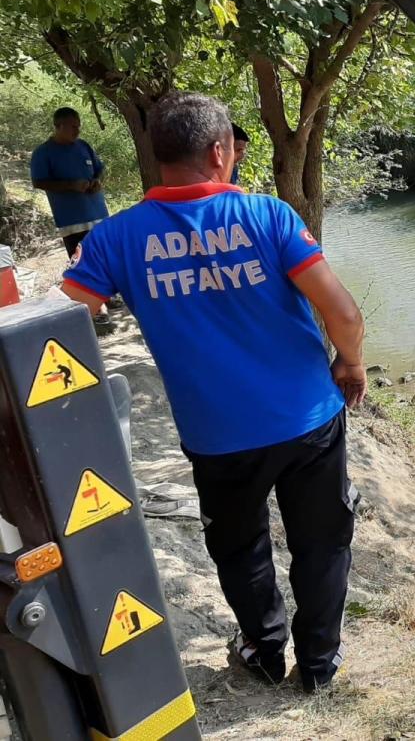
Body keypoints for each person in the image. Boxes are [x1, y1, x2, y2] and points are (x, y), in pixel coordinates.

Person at [60, 92, 367, 693]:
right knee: (322, 542)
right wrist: (350, 364)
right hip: (307, 419)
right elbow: (345, 314)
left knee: (239, 546)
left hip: (216, 434)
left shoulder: (114, 238)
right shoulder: (271, 216)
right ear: (221, 151)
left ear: (158, 153)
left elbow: (61, 322)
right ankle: (319, 665)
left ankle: (264, 650)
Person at [31, 107, 118, 331]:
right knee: (82, 261)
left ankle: (110, 296)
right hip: (71, 219)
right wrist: (71, 185)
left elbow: (99, 169)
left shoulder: (84, 146)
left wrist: (96, 180)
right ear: (58, 126)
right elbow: (38, 181)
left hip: (97, 213)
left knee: (107, 255)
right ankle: (97, 311)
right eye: (72, 127)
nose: (77, 131)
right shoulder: (44, 152)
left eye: (78, 126)